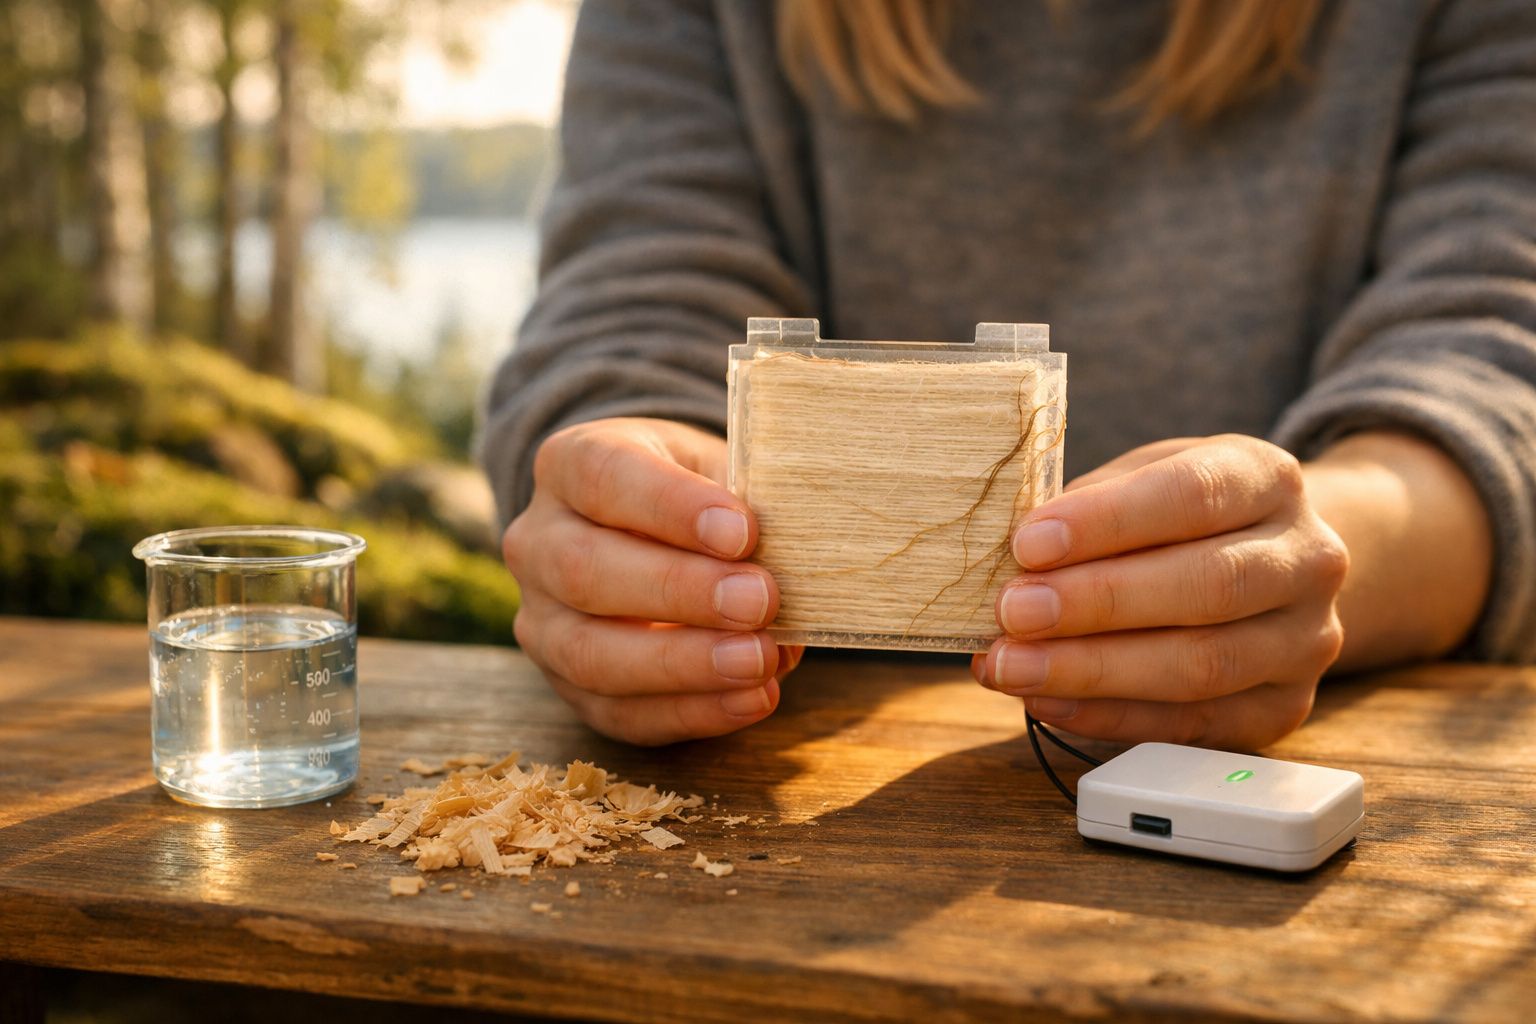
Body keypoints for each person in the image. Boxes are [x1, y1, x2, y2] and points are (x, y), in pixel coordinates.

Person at [482, 0, 1536, 749]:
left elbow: (1494, 354)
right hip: (761, 773)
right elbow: (632, 298)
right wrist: (640, 520)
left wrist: (1307, 556)